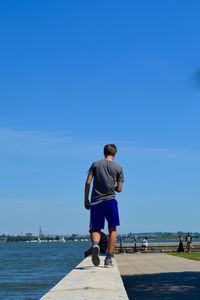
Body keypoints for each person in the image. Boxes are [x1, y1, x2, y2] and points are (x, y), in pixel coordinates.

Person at [84, 144, 124, 267]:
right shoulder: (119, 168)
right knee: (112, 229)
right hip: (110, 201)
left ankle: (96, 244)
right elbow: (119, 189)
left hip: (96, 201)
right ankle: (108, 258)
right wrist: (111, 186)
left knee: (96, 229)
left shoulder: (95, 164)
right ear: (115, 153)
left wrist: (86, 199)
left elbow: (88, 182)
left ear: (103, 152)